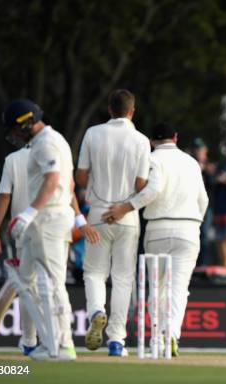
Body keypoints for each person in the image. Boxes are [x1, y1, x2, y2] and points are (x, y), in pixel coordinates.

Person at [103, 122, 209, 357]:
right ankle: (172, 334)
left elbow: (152, 191)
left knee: (158, 288)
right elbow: (203, 201)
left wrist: (124, 208)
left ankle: (157, 339)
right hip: (189, 229)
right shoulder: (192, 162)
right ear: (176, 137)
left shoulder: (152, 159)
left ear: (152, 141)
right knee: (179, 289)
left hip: (158, 228)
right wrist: (195, 224)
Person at [3, 98, 97, 360]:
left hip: (49, 220)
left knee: (53, 284)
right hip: (43, 220)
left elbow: (54, 179)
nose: (13, 135)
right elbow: (66, 183)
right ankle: (48, 342)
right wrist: (76, 216)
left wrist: (28, 213)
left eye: (14, 128)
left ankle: (63, 345)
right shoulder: (48, 142)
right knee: (28, 282)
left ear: (26, 122)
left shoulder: (47, 142)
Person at [75, 89, 151, 357]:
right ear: (132, 111)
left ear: (110, 109)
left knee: (94, 272)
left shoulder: (93, 134)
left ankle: (97, 310)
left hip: (97, 214)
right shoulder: (142, 140)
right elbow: (142, 185)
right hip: (126, 215)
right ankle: (116, 341)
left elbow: (81, 178)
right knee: (122, 278)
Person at [0, 145, 36, 355]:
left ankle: (29, 341)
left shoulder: (14, 159)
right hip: (54, 230)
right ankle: (60, 341)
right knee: (52, 286)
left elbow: (4, 196)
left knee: (27, 287)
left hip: (24, 231)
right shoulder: (57, 149)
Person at [192, 137, 216, 266]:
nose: (198, 151)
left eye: (200, 149)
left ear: (205, 150)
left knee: (205, 236)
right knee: (194, 235)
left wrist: (207, 171)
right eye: (196, 149)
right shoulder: (190, 164)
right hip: (192, 206)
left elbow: (213, 184)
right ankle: (195, 264)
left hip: (207, 207)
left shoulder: (209, 166)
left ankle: (204, 265)